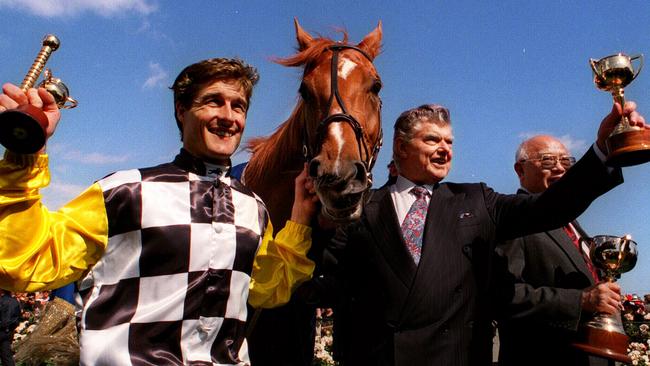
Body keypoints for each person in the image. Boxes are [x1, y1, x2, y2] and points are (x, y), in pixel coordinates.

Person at [0, 58, 318, 365]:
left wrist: (300, 215)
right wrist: (24, 154)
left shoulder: (254, 208)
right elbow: (26, 259)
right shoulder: (123, 191)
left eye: (238, 106)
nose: (228, 116)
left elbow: (267, 287)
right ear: (181, 111)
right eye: (213, 102)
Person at [324, 103, 646, 366]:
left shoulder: (477, 200)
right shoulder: (361, 208)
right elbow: (324, 282)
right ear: (401, 147)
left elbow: (551, 207)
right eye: (432, 140)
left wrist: (602, 150)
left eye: (449, 142)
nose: (444, 150)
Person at [495, 135, 618, 366]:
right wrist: (580, 300)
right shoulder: (513, 221)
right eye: (548, 161)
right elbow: (503, 296)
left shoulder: (573, 225)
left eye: (566, 161)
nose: (560, 168)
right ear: (520, 171)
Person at [0, 290, 20, 366]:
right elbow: (18, 318)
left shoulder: (1, 301)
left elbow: (5, 320)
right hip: (9, 332)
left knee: (6, 355)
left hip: (1, 330)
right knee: (6, 356)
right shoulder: (15, 302)